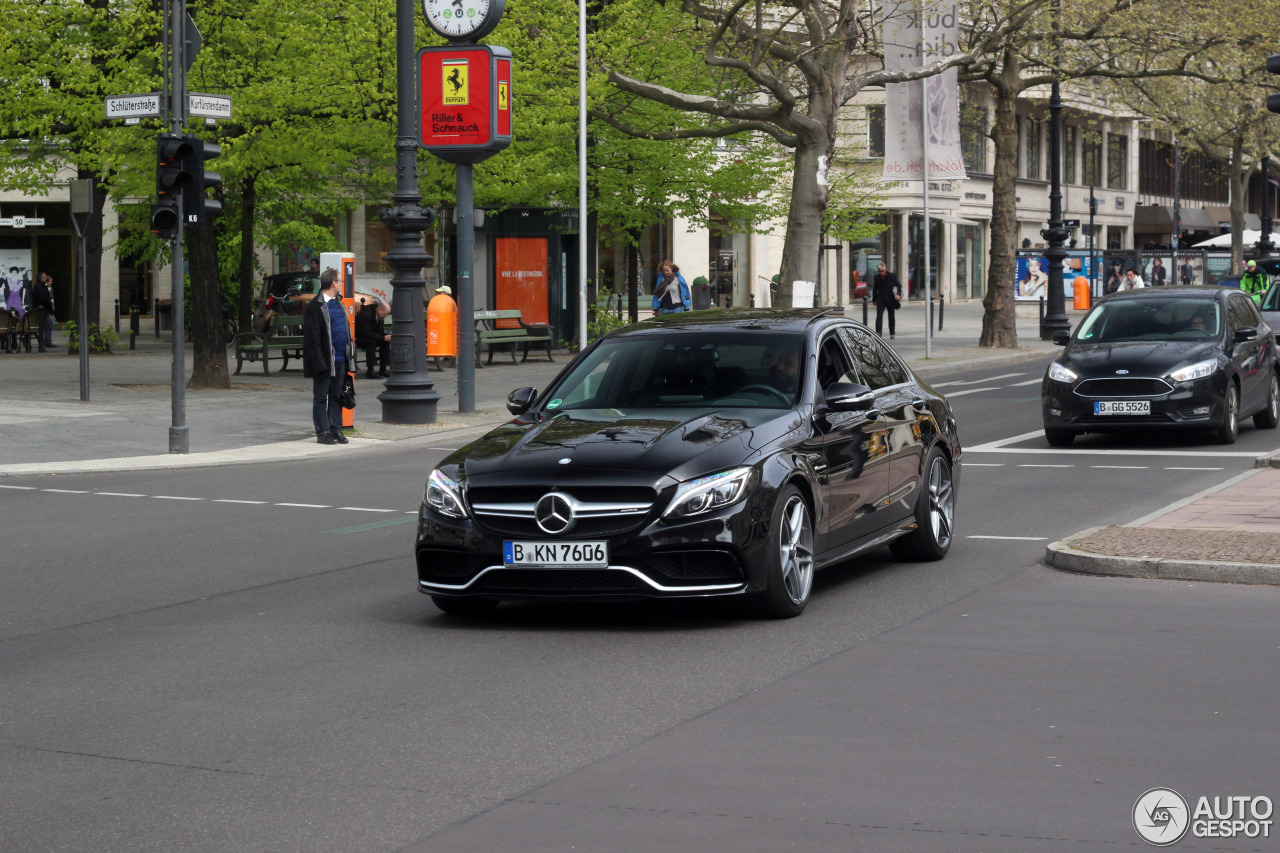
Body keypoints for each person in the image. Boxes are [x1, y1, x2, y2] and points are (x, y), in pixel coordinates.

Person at [302, 269, 353, 445]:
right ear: (333, 283)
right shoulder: (315, 306)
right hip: (324, 361)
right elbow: (312, 339)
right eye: (340, 281)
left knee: (337, 395)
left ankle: (335, 429)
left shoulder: (339, 304)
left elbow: (346, 331)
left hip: (340, 359)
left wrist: (349, 356)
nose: (341, 284)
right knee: (321, 396)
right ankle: (322, 432)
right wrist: (319, 363)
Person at [355, 297, 391, 379]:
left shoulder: (380, 316)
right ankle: (370, 371)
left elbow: (380, 331)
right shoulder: (366, 315)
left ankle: (383, 369)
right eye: (385, 314)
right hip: (360, 338)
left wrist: (386, 336)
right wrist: (382, 337)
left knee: (385, 343)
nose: (385, 317)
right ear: (379, 310)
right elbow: (365, 332)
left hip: (371, 336)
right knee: (371, 342)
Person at [871, 263, 902, 339]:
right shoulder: (877, 277)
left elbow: (898, 285)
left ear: (885, 269)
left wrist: (898, 294)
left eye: (882, 271)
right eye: (879, 271)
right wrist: (874, 299)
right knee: (879, 316)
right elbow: (875, 289)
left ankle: (892, 332)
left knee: (891, 316)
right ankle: (878, 332)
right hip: (881, 298)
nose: (881, 272)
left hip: (890, 299)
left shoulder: (892, 276)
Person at [31, 272, 56, 347]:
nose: (46, 278)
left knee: (48, 324)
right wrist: (48, 303)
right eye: (45, 277)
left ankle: (47, 341)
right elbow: (43, 297)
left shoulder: (41, 286)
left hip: (43, 308)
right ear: (41, 278)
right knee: (47, 325)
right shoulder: (39, 287)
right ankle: (47, 341)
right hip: (41, 309)